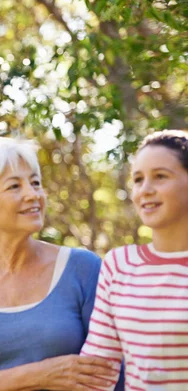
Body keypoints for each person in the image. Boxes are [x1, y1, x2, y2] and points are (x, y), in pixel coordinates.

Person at [0, 137, 122, 391]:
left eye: (35, 183)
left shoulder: (84, 268)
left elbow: (113, 371)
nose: (33, 194)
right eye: (14, 186)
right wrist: (42, 374)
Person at [81, 130, 188, 390]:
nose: (145, 190)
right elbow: (98, 368)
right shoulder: (119, 264)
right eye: (138, 179)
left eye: (160, 176)